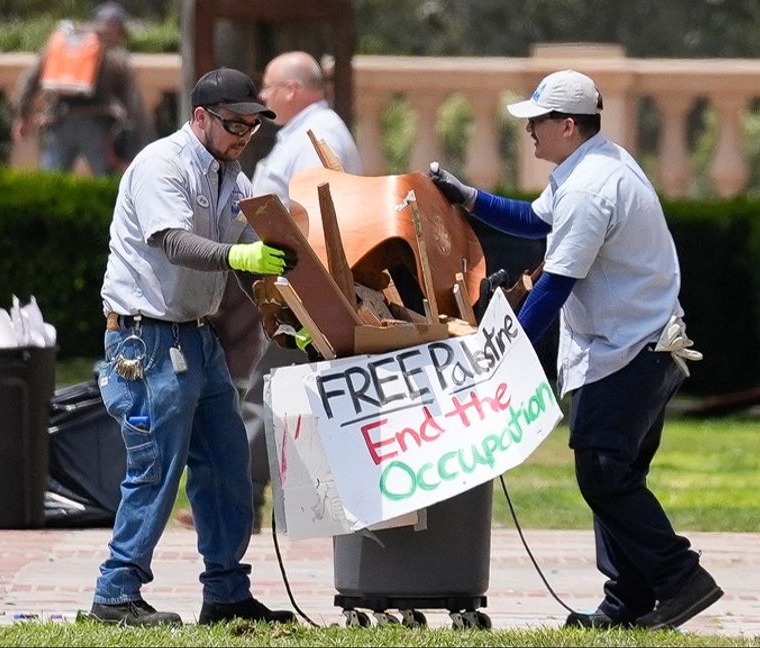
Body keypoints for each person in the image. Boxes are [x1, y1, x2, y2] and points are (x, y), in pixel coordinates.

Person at [429, 69, 721, 631]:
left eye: (537, 122)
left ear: (566, 125)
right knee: (615, 474)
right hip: (641, 343)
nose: (530, 132)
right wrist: (468, 198)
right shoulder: (590, 165)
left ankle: (680, 578)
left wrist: (502, 357)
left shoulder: (591, 188)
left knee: (603, 472)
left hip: (631, 349)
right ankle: (627, 602)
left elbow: (553, 285)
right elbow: (536, 220)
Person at [91, 67, 296, 626]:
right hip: (146, 338)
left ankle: (226, 593)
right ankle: (115, 593)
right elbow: (174, 242)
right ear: (200, 117)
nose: (243, 137)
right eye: (234, 125)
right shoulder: (163, 164)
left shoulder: (233, 174)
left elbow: (260, 245)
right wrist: (239, 258)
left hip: (196, 339)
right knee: (155, 467)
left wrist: (295, 303)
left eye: (252, 128)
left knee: (227, 466)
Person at [241, 50, 363, 531]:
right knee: (279, 389)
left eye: (268, 88)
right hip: (291, 281)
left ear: (292, 90)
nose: (264, 98)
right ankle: (273, 502)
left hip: (303, 286)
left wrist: (290, 285)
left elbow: (314, 217)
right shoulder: (306, 133)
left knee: (267, 389)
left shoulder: (319, 136)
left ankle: (244, 501)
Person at [11, 2, 151, 176]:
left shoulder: (63, 47)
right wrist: (144, 141)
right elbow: (134, 103)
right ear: (117, 29)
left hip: (58, 121)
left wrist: (22, 116)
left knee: (50, 184)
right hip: (98, 126)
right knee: (106, 184)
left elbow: (29, 80)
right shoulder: (116, 57)